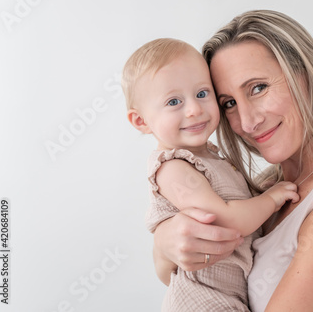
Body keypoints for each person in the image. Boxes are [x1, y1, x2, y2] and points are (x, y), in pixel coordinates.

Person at [152, 10, 313, 311]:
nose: (247, 121)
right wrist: (163, 247)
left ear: (308, 78)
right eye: (229, 103)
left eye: (258, 88)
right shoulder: (261, 194)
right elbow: (201, 285)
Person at [121, 38, 300, 311]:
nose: (194, 109)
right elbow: (226, 220)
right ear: (141, 121)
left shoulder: (210, 158)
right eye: (174, 101)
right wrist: (273, 198)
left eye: (202, 94)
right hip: (204, 300)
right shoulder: (172, 167)